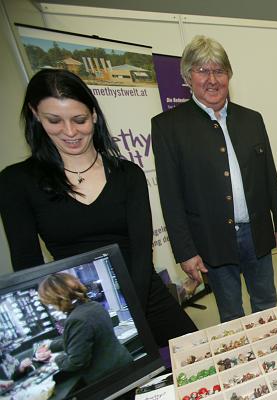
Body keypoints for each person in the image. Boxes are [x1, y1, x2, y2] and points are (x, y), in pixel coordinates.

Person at [0, 68, 196, 347]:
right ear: (35, 115)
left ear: (93, 115)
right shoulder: (16, 182)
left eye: (79, 120)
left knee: (196, 355)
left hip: (143, 292)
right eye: (54, 121)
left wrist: (132, 315)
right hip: (80, 307)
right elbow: (28, 267)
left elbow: (142, 253)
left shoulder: (128, 174)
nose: (70, 132)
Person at [152, 35, 277, 323]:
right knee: (231, 315)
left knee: (267, 305)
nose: (212, 79)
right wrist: (186, 252)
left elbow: (269, 175)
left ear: (229, 75)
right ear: (187, 76)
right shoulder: (168, 127)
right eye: (203, 71)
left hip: (257, 233)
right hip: (212, 240)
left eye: (219, 71)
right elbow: (171, 197)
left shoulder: (252, 119)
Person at [36, 272, 132, 384]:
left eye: (49, 303)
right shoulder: (93, 305)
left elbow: (76, 362)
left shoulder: (76, 319)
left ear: (56, 298)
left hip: (109, 378)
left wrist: (54, 358)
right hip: (122, 364)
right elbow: (80, 340)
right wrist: (50, 345)